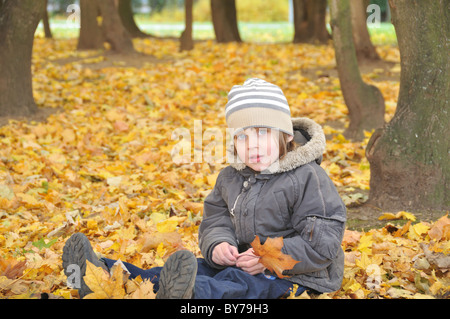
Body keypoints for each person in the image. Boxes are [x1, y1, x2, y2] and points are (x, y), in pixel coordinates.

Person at [62, 78, 347, 299]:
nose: (254, 145)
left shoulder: (307, 177)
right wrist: (218, 246)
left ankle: (189, 296)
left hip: (293, 275)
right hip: (239, 261)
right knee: (189, 269)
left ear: (285, 135)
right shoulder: (230, 177)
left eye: (263, 133)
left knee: (236, 285)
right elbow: (216, 219)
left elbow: (323, 240)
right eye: (243, 137)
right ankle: (103, 275)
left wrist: (268, 259)